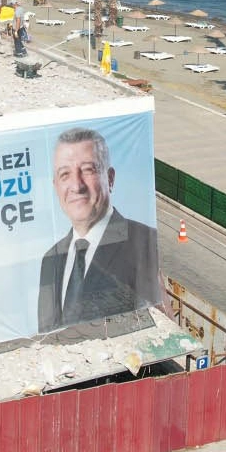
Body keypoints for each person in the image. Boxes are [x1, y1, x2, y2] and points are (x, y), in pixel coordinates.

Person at [37, 127, 161, 332]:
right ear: (55, 186)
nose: (77, 185)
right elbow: (46, 332)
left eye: (88, 170)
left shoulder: (144, 241)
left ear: (110, 178)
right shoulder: (50, 259)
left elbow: (153, 323)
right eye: (65, 174)